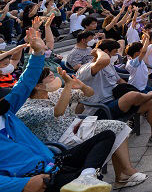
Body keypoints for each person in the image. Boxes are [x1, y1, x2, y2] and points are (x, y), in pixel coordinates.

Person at [0, 28, 116, 192]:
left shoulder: (5, 110)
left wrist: (38, 52)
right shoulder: (22, 109)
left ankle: (86, 176)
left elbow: (25, 83)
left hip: (51, 160)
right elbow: (57, 111)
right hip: (31, 178)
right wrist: (22, 185)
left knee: (106, 136)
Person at [17, 67, 147, 188]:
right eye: (51, 77)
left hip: (77, 127)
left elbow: (89, 93)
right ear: (38, 86)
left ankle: (123, 175)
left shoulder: (54, 93)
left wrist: (82, 86)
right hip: (61, 139)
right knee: (116, 127)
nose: (56, 78)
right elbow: (58, 111)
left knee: (118, 127)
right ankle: (124, 174)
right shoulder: (27, 109)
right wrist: (68, 85)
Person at [76, 38, 152, 147]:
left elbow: (119, 80)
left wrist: (129, 89)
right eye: (113, 53)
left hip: (116, 102)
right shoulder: (86, 68)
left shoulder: (109, 66)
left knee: (151, 101)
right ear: (106, 52)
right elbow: (103, 61)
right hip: (101, 108)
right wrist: (98, 51)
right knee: (133, 96)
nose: (115, 56)